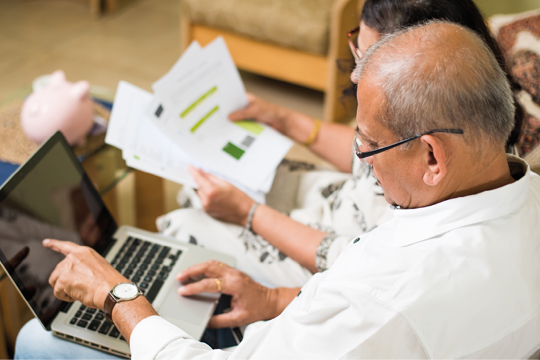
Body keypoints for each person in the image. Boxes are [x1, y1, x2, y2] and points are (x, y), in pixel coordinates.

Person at [16, 21, 540, 359]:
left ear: (431, 156)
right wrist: (273, 298)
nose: (362, 162)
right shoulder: (523, 196)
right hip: (292, 323)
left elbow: (369, 313)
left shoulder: (382, 302)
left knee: (37, 341)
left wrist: (120, 297)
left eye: (369, 145)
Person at [157, 0, 526, 289]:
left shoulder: (427, 191)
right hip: (341, 203)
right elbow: (363, 155)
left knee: (182, 224)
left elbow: (358, 261)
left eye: (367, 61)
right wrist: (286, 120)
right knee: (206, 184)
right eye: (357, 49)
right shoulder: (465, 116)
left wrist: (248, 214)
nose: (353, 74)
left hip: (337, 251)